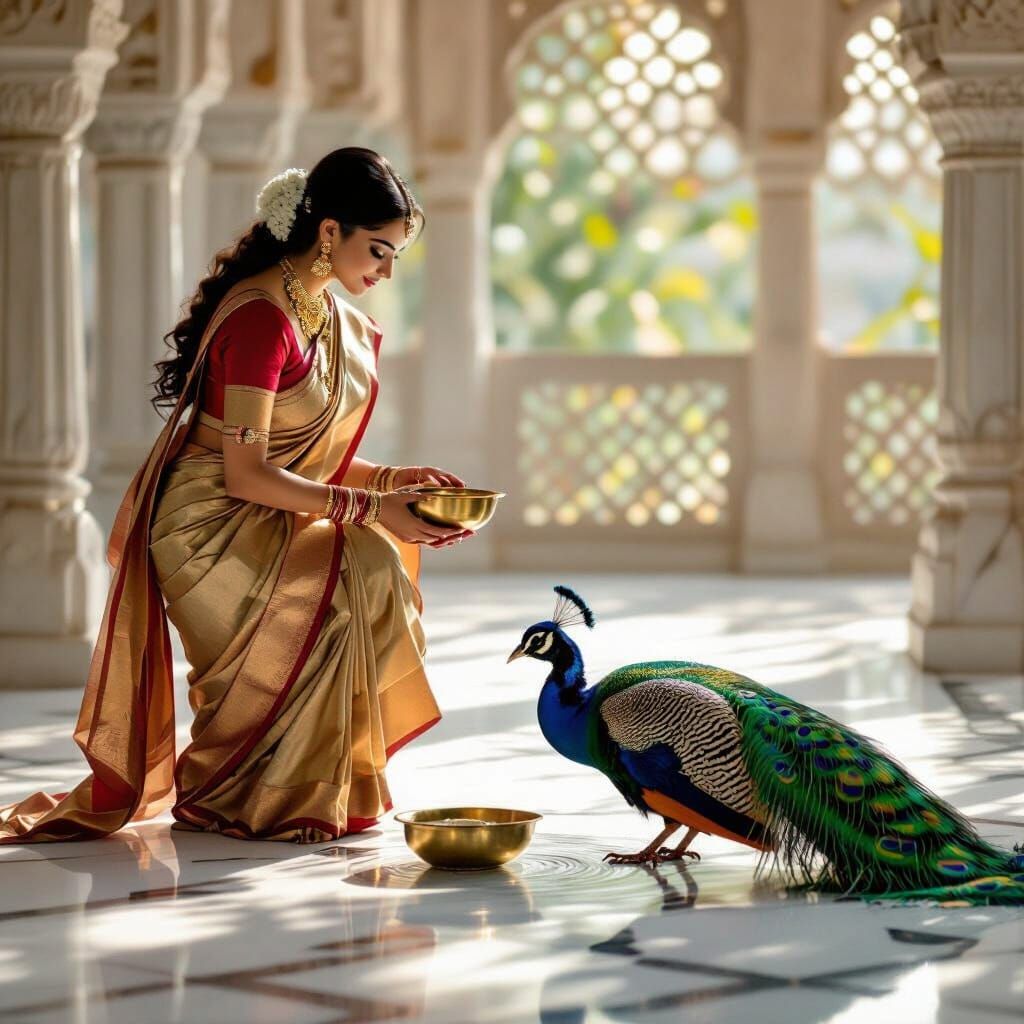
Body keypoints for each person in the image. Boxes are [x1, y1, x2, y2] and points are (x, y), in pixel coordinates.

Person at [0, 147, 470, 844]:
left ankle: (313, 787)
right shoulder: (261, 317)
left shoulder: (325, 314)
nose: (385, 271)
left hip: (266, 506)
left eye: (396, 254)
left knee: (372, 565)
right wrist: (374, 509)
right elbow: (247, 473)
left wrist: (393, 480)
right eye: (378, 249)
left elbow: (309, 459)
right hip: (208, 523)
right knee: (359, 561)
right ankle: (237, 791)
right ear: (330, 231)